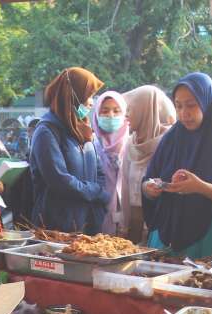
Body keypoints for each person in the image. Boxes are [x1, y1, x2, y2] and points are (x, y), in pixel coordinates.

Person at [142, 73, 212, 258]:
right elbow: (149, 177)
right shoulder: (171, 139)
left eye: (191, 105)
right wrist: (149, 188)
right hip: (168, 232)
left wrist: (200, 187)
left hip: (211, 237)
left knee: (204, 285)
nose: (184, 113)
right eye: (178, 105)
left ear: (207, 102)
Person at [29, 67, 107, 232]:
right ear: (73, 97)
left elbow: (99, 171)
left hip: (88, 223)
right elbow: (59, 180)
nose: (92, 102)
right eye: (88, 96)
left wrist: (97, 193)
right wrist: (95, 192)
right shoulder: (46, 131)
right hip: (57, 227)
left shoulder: (83, 129)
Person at [121, 85, 175, 243]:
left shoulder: (169, 142)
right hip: (133, 223)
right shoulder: (131, 143)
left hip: (157, 223)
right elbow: (125, 187)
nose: (126, 115)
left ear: (144, 110)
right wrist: (124, 224)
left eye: (130, 109)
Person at [91, 91, 129, 236]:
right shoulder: (91, 144)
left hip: (129, 218)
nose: (111, 115)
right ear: (96, 114)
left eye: (116, 111)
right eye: (105, 111)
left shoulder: (132, 144)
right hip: (99, 215)